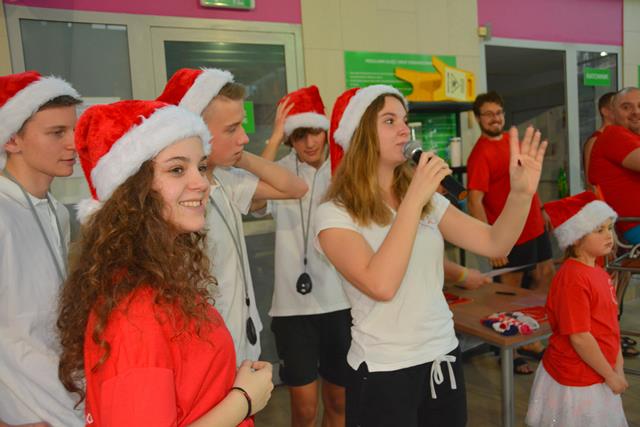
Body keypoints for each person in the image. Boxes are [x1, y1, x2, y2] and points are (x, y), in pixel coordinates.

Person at [315, 84, 547, 426]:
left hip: (442, 355)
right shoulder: (335, 213)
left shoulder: (427, 200)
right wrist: (414, 198)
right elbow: (381, 285)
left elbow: (495, 243)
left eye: (404, 120)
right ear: (360, 134)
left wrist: (521, 194)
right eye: (389, 121)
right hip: (383, 369)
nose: (404, 129)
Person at [57, 100, 274, 426]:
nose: (202, 182)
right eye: (177, 169)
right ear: (132, 190)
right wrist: (243, 399)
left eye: (201, 166)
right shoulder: (135, 312)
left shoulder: (160, 279)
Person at [157, 68, 308, 363]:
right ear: (198, 132)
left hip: (241, 337)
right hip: (207, 349)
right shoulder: (176, 199)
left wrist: (239, 156)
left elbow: (295, 187)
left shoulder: (226, 179)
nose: (244, 137)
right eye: (232, 129)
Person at [256, 85, 351, 427]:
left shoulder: (343, 169)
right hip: (292, 310)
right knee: (304, 409)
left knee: (339, 403)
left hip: (340, 303)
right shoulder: (279, 169)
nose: (309, 143)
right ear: (290, 139)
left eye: (315, 133)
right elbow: (251, 197)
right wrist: (273, 138)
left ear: (326, 131)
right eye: (299, 136)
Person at [0, 71, 83, 427]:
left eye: (73, 129)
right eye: (57, 133)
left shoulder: (57, 211)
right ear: (12, 139)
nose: (74, 144)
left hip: (63, 397)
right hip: (21, 411)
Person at [526, 191, 628, 427]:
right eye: (598, 230)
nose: (609, 235)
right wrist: (610, 374)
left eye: (609, 227)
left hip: (600, 370)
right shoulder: (573, 278)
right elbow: (580, 337)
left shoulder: (598, 271)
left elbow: (611, 325)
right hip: (577, 380)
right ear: (575, 237)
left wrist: (618, 366)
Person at [467, 91, 554, 291]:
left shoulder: (513, 142)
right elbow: (474, 201)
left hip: (534, 224)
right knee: (511, 288)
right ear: (478, 118)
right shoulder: (479, 155)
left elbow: (529, 180)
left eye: (498, 113)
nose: (495, 118)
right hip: (510, 231)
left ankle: (540, 313)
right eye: (488, 114)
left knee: (546, 274)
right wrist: (489, 243)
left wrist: (541, 209)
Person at [589, 87, 640, 245]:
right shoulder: (614, 135)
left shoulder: (632, 138)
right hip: (635, 225)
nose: (636, 111)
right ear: (613, 113)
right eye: (626, 107)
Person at [583, 91, 616, 191]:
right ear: (605, 111)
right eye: (616, 107)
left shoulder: (621, 137)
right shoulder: (595, 140)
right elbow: (590, 182)